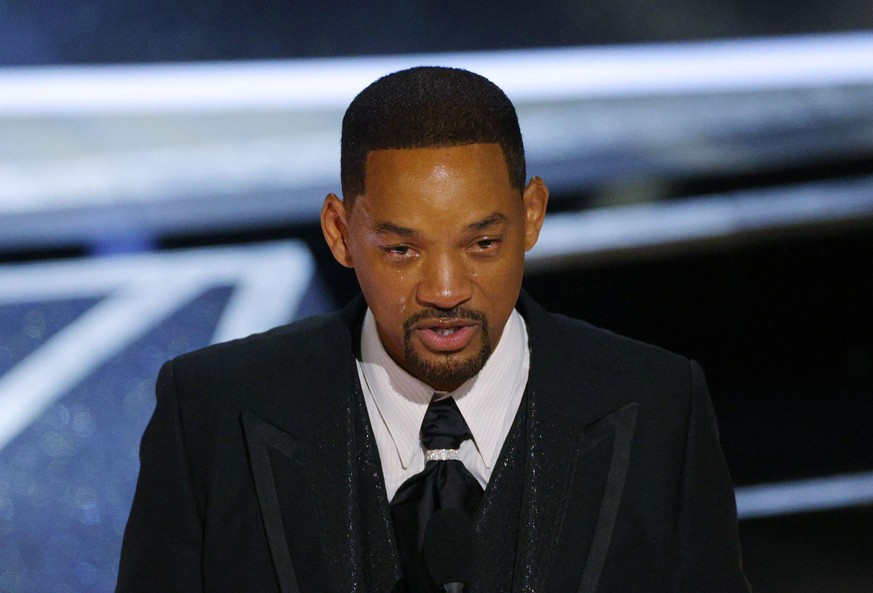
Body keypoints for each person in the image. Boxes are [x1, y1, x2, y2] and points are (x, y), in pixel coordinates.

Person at [116, 66, 750, 593]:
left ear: (531, 216)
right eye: (402, 251)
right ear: (340, 234)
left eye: (482, 243)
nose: (445, 291)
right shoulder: (211, 411)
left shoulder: (662, 404)